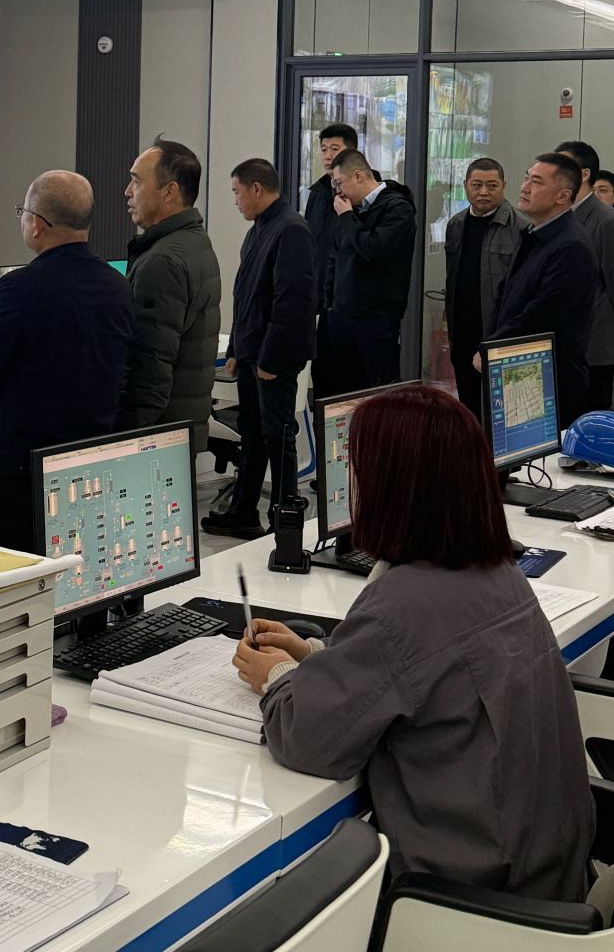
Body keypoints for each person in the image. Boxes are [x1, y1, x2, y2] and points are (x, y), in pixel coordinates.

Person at [232, 385, 593, 901]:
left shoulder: (400, 606)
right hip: (550, 871)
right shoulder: (497, 568)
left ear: (393, 488)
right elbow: (425, 670)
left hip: (473, 899)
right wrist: (316, 655)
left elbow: (309, 740)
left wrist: (278, 677)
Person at [0, 171, 133, 553]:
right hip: (92, 461)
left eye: (22, 212)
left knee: (16, 577)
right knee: (81, 568)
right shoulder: (117, 286)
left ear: (37, 224)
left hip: (23, 469)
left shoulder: (19, 288)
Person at [203, 159, 315, 540]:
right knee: (252, 435)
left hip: (273, 358)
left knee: (277, 435)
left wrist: (271, 358)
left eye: (237, 192)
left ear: (256, 188)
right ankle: (243, 512)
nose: (235, 201)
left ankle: (283, 518)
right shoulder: (259, 230)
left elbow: (292, 301)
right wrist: (237, 349)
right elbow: (246, 294)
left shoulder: (291, 229)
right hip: (252, 354)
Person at [479, 153, 598, 429]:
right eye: (526, 178)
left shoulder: (571, 246)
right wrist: (491, 342)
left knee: (539, 453)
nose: (525, 187)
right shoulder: (534, 233)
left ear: (562, 196)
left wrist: (492, 347)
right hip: (516, 368)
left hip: (550, 376)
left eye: (536, 182)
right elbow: (504, 293)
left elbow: (541, 315)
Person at [117, 139, 221, 449]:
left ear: (169, 192)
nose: (127, 191)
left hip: (158, 442)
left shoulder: (162, 261)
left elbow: (149, 370)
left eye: (136, 181)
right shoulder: (195, 241)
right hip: (180, 431)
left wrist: (124, 443)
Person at [443, 157, 528, 421]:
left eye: (492, 185)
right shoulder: (456, 224)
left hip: (498, 330)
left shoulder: (521, 227)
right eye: (476, 185)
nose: (483, 192)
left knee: (503, 408)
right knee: (467, 402)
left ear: (504, 186)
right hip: (462, 328)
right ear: (465, 186)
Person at [324, 149, 416, 390]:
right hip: (342, 313)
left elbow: (373, 250)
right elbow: (336, 256)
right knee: (345, 392)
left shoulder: (397, 208)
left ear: (358, 176)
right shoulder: (350, 209)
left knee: (379, 391)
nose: (338, 191)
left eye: (339, 183)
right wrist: (330, 303)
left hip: (377, 318)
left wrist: (347, 216)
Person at [557, 141, 614, 411]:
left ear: (584, 174)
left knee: (591, 419)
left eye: (562, 166)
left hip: (593, 347)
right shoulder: (562, 215)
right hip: (565, 341)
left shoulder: (605, 220)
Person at [305, 123, 357, 398]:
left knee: (348, 379)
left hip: (348, 302)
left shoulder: (359, 194)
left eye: (334, 149)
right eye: (323, 149)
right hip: (319, 300)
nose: (327, 155)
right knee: (322, 374)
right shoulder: (317, 194)